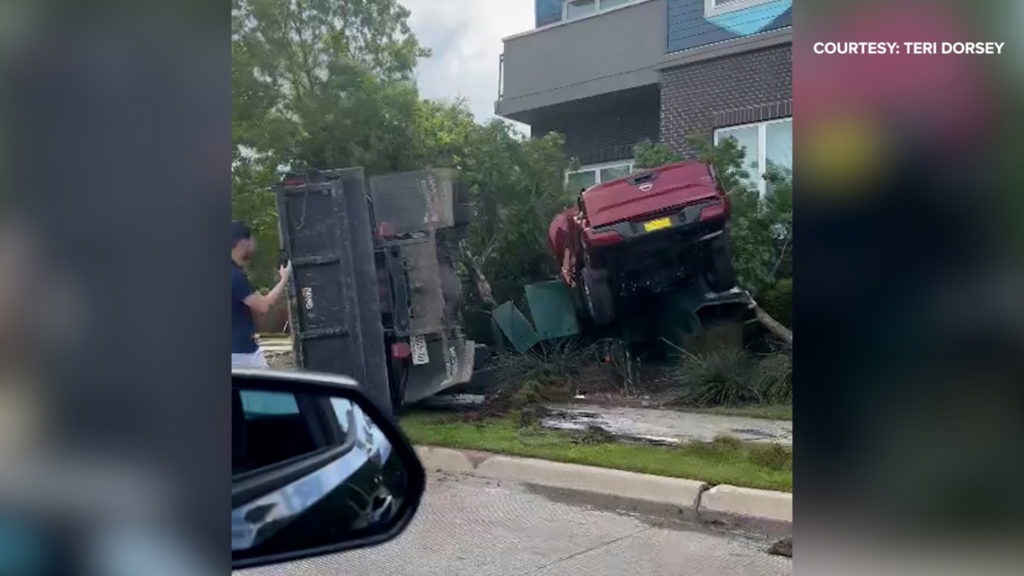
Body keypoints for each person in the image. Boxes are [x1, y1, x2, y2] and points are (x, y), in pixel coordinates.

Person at [232, 221, 292, 369]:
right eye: (251, 240)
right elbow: (263, 306)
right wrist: (284, 280)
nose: (254, 245)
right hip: (241, 353)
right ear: (242, 243)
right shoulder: (234, 276)